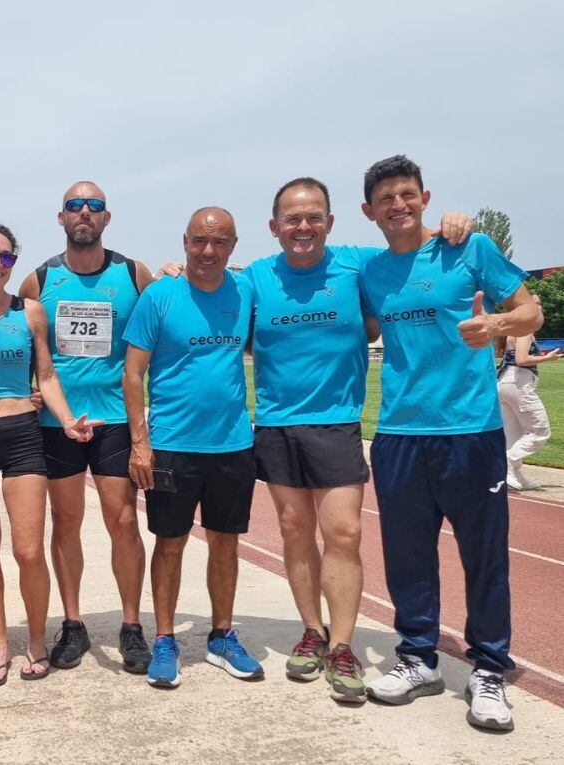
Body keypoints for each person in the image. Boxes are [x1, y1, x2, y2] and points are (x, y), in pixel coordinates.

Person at [243, 178, 474, 704]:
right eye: (293, 219)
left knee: (343, 533)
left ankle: (343, 646)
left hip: (338, 420)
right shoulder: (256, 276)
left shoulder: (358, 265)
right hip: (277, 421)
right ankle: (312, 632)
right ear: (274, 227)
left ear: (330, 221)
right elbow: (208, 288)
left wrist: (452, 226)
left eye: (314, 217)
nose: (304, 227)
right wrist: (168, 270)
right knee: (294, 531)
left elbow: (409, 247)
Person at [359, 155, 542, 732]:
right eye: (386, 198)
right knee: (408, 555)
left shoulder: (470, 248)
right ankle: (418, 657)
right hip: (398, 435)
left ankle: (488, 668)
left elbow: (530, 307)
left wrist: (496, 327)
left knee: (482, 556)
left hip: (471, 432)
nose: (398, 205)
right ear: (369, 211)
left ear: (425, 197)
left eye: (407, 194)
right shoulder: (368, 272)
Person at [0, 223, 98, 686]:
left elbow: (47, 376)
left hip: (22, 434)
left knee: (29, 549)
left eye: (6, 257)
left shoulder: (30, 312)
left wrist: (68, 419)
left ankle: (35, 639)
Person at [19, 181, 154, 674]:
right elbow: (22, 343)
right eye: (75, 206)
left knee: (123, 522)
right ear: (61, 218)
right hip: (59, 423)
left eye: (94, 206)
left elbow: (153, 336)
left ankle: (132, 625)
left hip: (115, 418)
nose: (84, 213)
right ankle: (73, 623)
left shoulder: (133, 274)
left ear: (106, 218)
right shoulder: (39, 280)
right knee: (67, 523)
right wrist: (26, 391)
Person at [123, 207, 261, 689]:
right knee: (171, 543)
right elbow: (133, 373)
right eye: (199, 241)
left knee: (226, 543)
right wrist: (140, 443)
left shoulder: (246, 290)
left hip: (232, 444)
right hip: (171, 445)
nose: (208, 251)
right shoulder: (160, 294)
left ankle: (222, 635)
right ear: (184, 241)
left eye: (219, 242)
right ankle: (164, 639)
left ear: (233, 245)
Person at [496, 294, 559, 491]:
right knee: (540, 431)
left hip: (505, 384)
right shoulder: (525, 329)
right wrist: (547, 358)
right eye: (537, 303)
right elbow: (522, 359)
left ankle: (515, 475)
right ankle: (509, 461)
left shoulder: (511, 330)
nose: (540, 307)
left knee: (514, 434)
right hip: (518, 383)